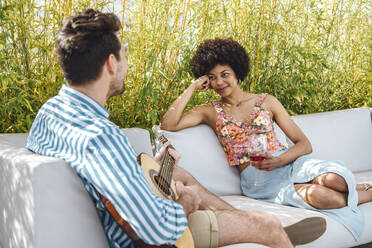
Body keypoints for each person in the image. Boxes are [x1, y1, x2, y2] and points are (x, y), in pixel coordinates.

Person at [25, 9, 320, 248]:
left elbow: (105, 173)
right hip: (152, 239)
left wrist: (150, 169)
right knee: (267, 224)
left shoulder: (50, 112)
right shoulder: (100, 136)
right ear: (111, 63)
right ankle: (259, 226)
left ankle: (241, 219)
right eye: (125, 55)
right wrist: (186, 202)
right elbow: (157, 230)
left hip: (124, 214)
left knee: (175, 173)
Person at [161, 38, 372, 242]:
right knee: (327, 198)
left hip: (289, 162)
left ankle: (363, 188)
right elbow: (168, 124)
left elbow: (304, 144)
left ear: (237, 71)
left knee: (336, 180)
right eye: (212, 77)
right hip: (259, 179)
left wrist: (280, 160)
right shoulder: (210, 111)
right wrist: (192, 87)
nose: (219, 82)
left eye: (225, 74)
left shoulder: (266, 101)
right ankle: (368, 192)